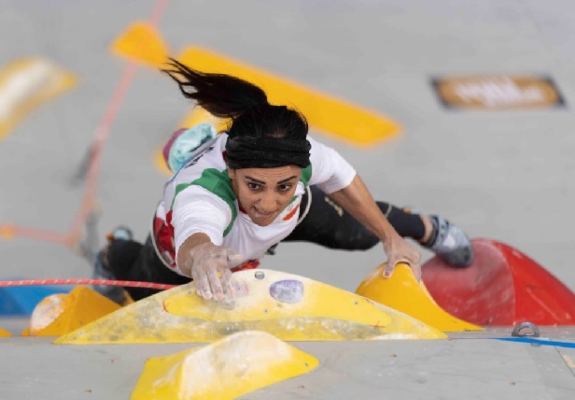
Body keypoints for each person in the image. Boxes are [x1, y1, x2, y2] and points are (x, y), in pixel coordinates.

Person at [92, 58, 474, 305]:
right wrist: (203, 255)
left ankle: (429, 228)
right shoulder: (202, 193)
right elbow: (195, 232)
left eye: (285, 186)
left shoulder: (296, 155)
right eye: (254, 185)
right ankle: (114, 253)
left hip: (268, 228)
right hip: (183, 254)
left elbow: (342, 179)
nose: (269, 203)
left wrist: (392, 240)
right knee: (144, 287)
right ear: (231, 172)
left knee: (356, 232)